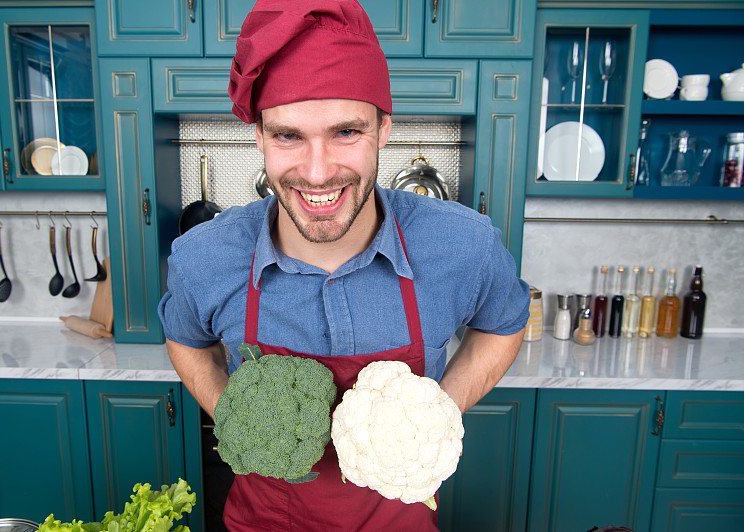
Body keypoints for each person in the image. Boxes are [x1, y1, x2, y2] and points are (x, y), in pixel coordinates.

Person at [158, 0, 530, 529]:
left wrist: (432, 415)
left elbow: (504, 322)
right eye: (289, 135)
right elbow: (185, 337)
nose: (316, 171)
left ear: (383, 129)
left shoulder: (462, 245)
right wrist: (236, 416)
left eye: (346, 132)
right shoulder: (205, 257)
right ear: (259, 136)